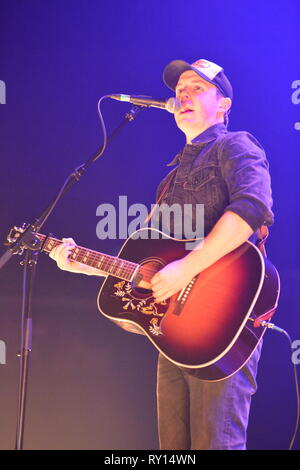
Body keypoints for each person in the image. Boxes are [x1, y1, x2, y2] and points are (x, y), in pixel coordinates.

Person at [50, 58, 274, 450]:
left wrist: (187, 267)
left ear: (224, 105)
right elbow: (144, 265)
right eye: (179, 90)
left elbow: (251, 210)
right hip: (175, 330)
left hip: (222, 322)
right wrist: (80, 263)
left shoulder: (235, 145)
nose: (183, 94)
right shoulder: (169, 181)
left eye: (197, 88)